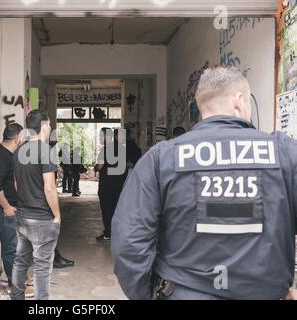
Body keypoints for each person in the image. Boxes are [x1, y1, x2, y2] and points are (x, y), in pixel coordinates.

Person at [112, 66, 297, 300]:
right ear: (240, 101)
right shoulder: (285, 154)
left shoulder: (162, 158)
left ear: (201, 106)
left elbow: (128, 243)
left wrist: (144, 295)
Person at [11, 110, 61, 300]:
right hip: (42, 218)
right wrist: (56, 215)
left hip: (23, 216)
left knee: (20, 261)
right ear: (43, 126)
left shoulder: (19, 150)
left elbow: (16, 183)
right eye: (48, 125)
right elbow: (49, 188)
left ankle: (16, 297)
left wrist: (26, 200)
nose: (50, 128)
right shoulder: (45, 150)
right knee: (42, 266)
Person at [0, 123, 34, 298]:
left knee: (19, 246)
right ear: (17, 139)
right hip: (2, 210)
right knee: (12, 248)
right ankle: (16, 287)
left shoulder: (9, 155)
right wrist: (6, 207)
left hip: (11, 207)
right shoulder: (1, 157)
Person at [94, 128, 127, 241]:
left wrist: (95, 167)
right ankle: (117, 233)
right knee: (116, 209)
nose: (99, 137)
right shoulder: (122, 149)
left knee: (107, 210)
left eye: (100, 135)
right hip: (119, 185)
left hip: (107, 185)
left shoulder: (105, 150)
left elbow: (99, 166)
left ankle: (108, 233)